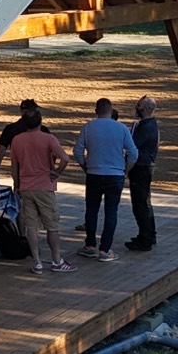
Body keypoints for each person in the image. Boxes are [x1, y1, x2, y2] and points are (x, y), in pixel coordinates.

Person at [5, 108, 75, 274]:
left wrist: (17, 184)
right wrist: (56, 172)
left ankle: (37, 262)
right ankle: (56, 259)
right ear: (40, 122)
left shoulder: (16, 140)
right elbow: (65, 158)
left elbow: (14, 167)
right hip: (44, 186)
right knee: (52, 225)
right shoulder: (48, 139)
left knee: (31, 226)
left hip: (26, 186)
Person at [72, 97, 137, 261]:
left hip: (94, 173)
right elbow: (133, 153)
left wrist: (85, 167)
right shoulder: (121, 128)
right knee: (111, 212)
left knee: (91, 210)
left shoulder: (88, 127)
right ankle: (105, 249)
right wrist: (125, 170)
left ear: (96, 111)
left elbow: (78, 151)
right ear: (112, 110)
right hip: (115, 174)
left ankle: (90, 245)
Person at [125, 95, 160, 252]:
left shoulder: (145, 127)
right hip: (145, 167)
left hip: (141, 168)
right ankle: (149, 235)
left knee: (140, 204)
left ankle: (145, 239)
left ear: (145, 108)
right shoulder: (150, 125)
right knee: (145, 202)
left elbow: (131, 144)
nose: (136, 108)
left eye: (138, 106)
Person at [0, 99, 40, 180]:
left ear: (21, 111)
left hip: (19, 172)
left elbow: (1, 151)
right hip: (39, 172)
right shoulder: (42, 130)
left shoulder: (10, 129)